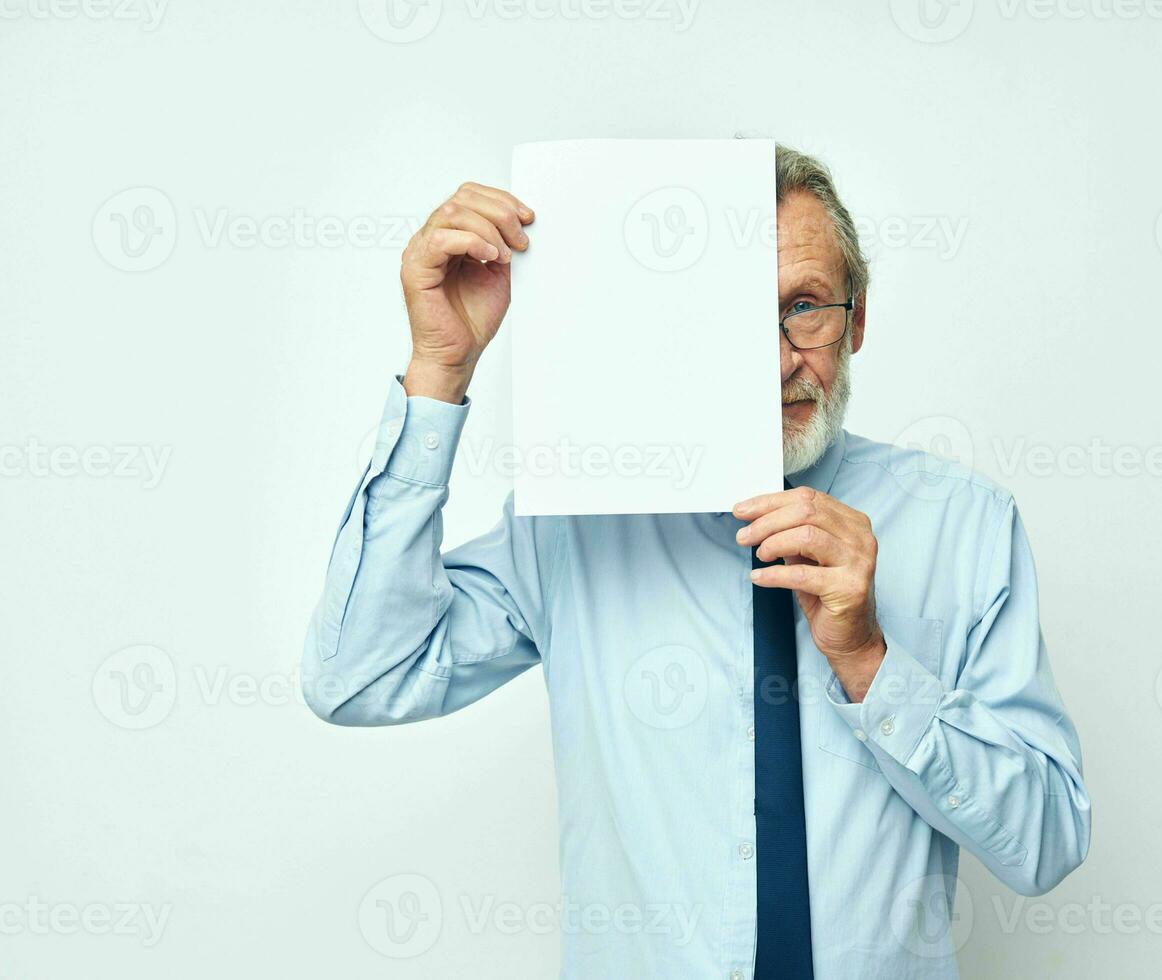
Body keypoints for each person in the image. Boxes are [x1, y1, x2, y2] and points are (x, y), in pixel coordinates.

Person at [302, 144, 1091, 979]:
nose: (780, 357)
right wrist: (439, 371)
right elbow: (358, 676)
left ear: (857, 320)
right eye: (737, 320)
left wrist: (870, 660)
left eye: (807, 306)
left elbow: (1045, 844)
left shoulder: (964, 525)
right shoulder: (577, 525)